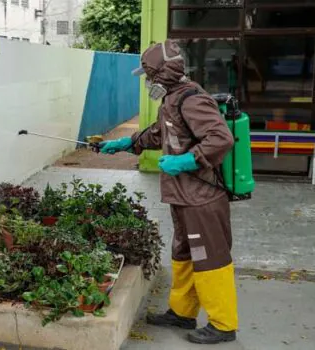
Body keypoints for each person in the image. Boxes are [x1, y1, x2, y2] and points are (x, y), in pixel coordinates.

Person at [99, 39, 237, 345]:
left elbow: (220, 138)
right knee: (184, 253)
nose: (148, 81)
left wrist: (187, 160)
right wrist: (127, 143)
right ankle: (182, 311)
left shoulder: (192, 100)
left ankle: (223, 323)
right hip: (182, 197)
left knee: (210, 257)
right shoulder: (173, 99)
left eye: (150, 75)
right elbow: (160, 133)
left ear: (164, 73)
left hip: (202, 197)